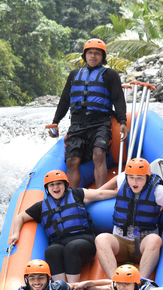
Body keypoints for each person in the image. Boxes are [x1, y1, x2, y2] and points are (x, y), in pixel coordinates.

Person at [94, 157, 163, 279]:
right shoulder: (122, 178)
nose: (134, 182)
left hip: (143, 244)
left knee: (155, 239)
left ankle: (140, 282)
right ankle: (115, 281)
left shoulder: (158, 192)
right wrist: (94, 193)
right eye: (131, 178)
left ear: (147, 178)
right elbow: (102, 191)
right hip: (120, 242)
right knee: (101, 238)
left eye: (139, 178)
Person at [8, 170, 117, 283]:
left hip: (84, 242)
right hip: (59, 243)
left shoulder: (77, 194)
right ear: (47, 188)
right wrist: (16, 233)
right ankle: (60, 287)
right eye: (52, 185)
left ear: (65, 185)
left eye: (59, 183)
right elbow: (20, 217)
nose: (56, 187)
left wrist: (118, 194)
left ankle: (72, 286)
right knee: (51, 250)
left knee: (72, 248)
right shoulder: (41, 206)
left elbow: (99, 194)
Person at [47, 38, 128, 189]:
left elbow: (118, 99)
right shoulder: (74, 74)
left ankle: (100, 194)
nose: (93, 56)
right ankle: (74, 197)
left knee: (99, 154)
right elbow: (65, 100)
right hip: (77, 124)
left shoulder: (110, 74)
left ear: (102, 57)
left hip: (100, 124)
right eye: (90, 53)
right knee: (72, 160)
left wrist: (122, 122)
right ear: (84, 55)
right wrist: (55, 121)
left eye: (97, 53)